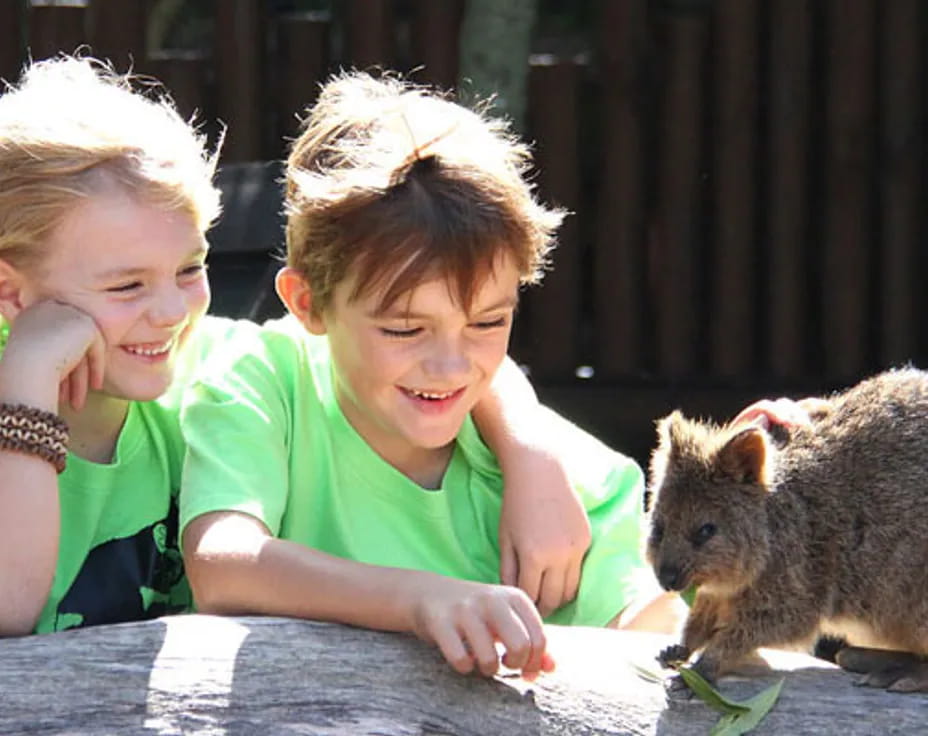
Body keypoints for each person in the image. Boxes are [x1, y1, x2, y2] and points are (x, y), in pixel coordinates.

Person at [0, 57, 590, 637]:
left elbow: (435, 344)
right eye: (127, 285)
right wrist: (27, 378)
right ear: (11, 291)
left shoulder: (203, 363)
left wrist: (530, 454)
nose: (173, 312)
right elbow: (9, 610)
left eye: (189, 268)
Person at [179, 71, 682, 680]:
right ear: (307, 303)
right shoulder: (259, 380)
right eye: (403, 329)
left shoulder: (569, 481)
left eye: (487, 323)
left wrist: (745, 524)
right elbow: (222, 566)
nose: (450, 366)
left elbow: (644, 641)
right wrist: (421, 600)